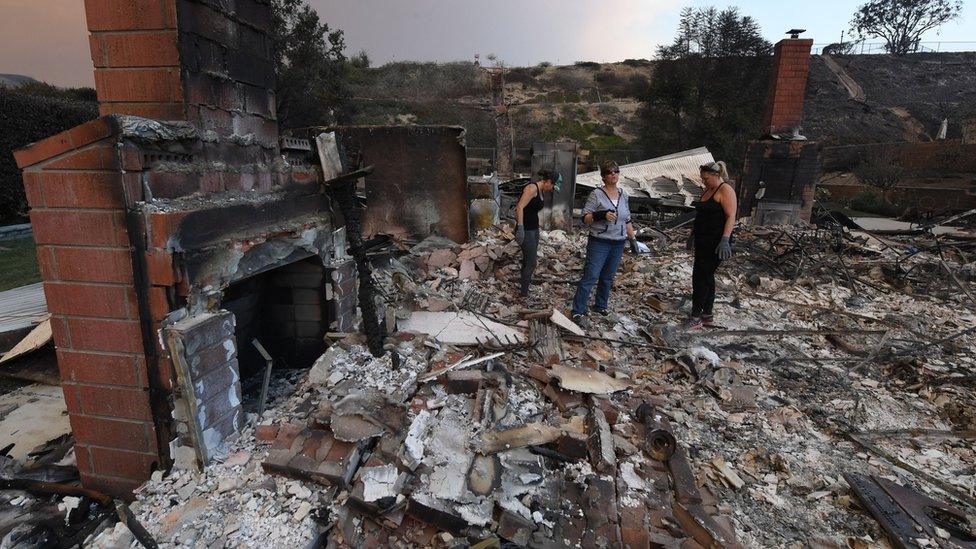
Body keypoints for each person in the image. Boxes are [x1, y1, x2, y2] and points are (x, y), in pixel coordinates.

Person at [570, 160, 643, 322]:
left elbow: (627, 219)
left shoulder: (624, 194)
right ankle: (578, 309)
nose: (614, 174)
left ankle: (601, 305)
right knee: (591, 275)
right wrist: (600, 215)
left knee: (608, 277)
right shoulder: (596, 194)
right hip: (599, 241)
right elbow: (584, 218)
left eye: (616, 171)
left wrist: (632, 240)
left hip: (618, 242)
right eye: (610, 172)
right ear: (603, 176)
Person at [686, 160, 737, 330]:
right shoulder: (708, 190)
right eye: (702, 178)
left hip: (716, 242)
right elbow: (701, 216)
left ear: (716, 175)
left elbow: (731, 216)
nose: (704, 181)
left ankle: (696, 316)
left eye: (706, 178)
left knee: (701, 278)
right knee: (707, 276)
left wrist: (725, 240)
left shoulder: (726, 190)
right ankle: (707, 314)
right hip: (703, 241)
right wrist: (693, 235)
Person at [515, 170, 561, 297]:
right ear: (549, 182)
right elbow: (519, 207)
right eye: (552, 186)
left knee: (528, 260)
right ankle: (523, 294)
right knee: (531, 262)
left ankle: (524, 289)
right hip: (526, 229)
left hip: (533, 229)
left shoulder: (540, 190)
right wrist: (520, 228)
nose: (552, 189)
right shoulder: (531, 188)